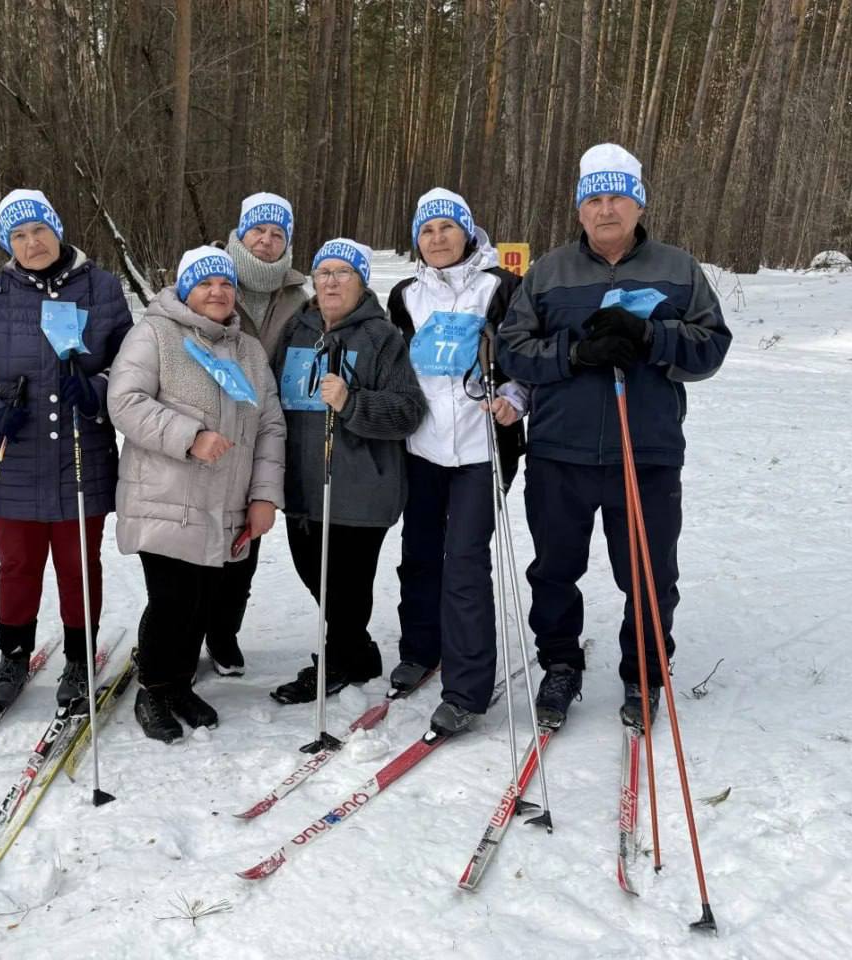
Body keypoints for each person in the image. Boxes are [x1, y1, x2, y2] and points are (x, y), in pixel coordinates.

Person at [497, 143, 731, 729]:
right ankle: (559, 664)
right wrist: (575, 352)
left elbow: (711, 347)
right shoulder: (549, 272)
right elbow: (512, 349)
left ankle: (645, 671)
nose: (606, 210)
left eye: (617, 198)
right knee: (554, 569)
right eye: (594, 199)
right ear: (580, 210)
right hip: (559, 450)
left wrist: (652, 339)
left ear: (638, 204)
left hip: (646, 450)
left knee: (650, 572)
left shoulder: (678, 269)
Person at [0, 190, 133, 711]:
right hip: (13, 458)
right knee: (17, 565)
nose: (32, 243)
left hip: (82, 453)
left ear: (58, 229)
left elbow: (132, 365)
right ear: (9, 244)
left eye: (39, 230)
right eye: (19, 236)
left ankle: (79, 658)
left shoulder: (102, 288)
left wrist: (95, 389)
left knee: (79, 564)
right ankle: (14, 654)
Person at [108, 246, 285, 742]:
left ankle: (178, 684)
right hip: (165, 498)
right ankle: (154, 688)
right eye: (205, 283)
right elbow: (124, 402)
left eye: (226, 285)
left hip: (227, 503)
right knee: (172, 600)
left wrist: (264, 497)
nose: (217, 292)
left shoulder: (249, 351)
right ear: (186, 289)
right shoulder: (156, 335)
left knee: (203, 602)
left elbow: (270, 425)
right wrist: (189, 436)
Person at [386, 189, 527, 736]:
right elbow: (396, 363)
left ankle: (467, 688)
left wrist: (514, 398)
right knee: (419, 554)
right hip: (422, 447)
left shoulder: (501, 288)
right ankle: (421, 647)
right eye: (427, 230)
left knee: (464, 561)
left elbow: (523, 358)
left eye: (448, 227)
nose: (437, 238)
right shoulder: (405, 295)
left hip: (479, 449)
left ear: (468, 232)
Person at [271, 238, 426, 704]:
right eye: (324, 273)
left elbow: (408, 410)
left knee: (344, 584)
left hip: (361, 490)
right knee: (314, 574)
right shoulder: (296, 330)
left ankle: (339, 660)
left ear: (360, 282)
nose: (332, 281)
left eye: (343, 273)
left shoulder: (382, 338)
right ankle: (357, 651)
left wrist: (352, 402)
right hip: (302, 487)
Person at [202, 192, 307, 678]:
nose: (266, 242)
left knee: (246, 538)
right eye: (257, 231)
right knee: (192, 540)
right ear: (240, 234)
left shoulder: (297, 298)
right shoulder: (213, 280)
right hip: (209, 427)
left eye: (277, 234)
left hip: (262, 431)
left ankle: (224, 634)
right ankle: (175, 630)